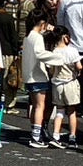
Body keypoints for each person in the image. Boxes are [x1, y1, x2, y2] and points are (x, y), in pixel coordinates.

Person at [21, 9, 55, 149]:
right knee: (40, 106)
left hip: (29, 76)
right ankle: (36, 136)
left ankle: (34, 134)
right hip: (38, 75)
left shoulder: (28, 36)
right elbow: (41, 54)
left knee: (35, 106)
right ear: (42, 23)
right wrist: (59, 58)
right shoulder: (38, 37)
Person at [46, 29, 82, 148]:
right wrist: (78, 70)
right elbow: (79, 66)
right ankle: (72, 138)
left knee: (59, 111)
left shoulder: (54, 51)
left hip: (57, 84)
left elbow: (51, 70)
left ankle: (56, 136)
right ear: (66, 37)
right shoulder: (72, 51)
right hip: (70, 83)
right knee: (71, 111)